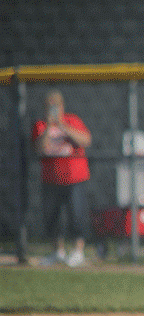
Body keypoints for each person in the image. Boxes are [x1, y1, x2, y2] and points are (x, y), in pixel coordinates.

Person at [31, 89, 92, 267]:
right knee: (52, 217)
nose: (53, 109)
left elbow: (86, 140)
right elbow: (39, 148)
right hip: (51, 179)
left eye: (56, 105)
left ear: (62, 106)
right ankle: (57, 251)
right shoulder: (41, 125)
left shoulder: (73, 120)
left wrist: (62, 125)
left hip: (75, 177)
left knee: (77, 215)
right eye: (50, 106)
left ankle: (78, 251)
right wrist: (51, 126)